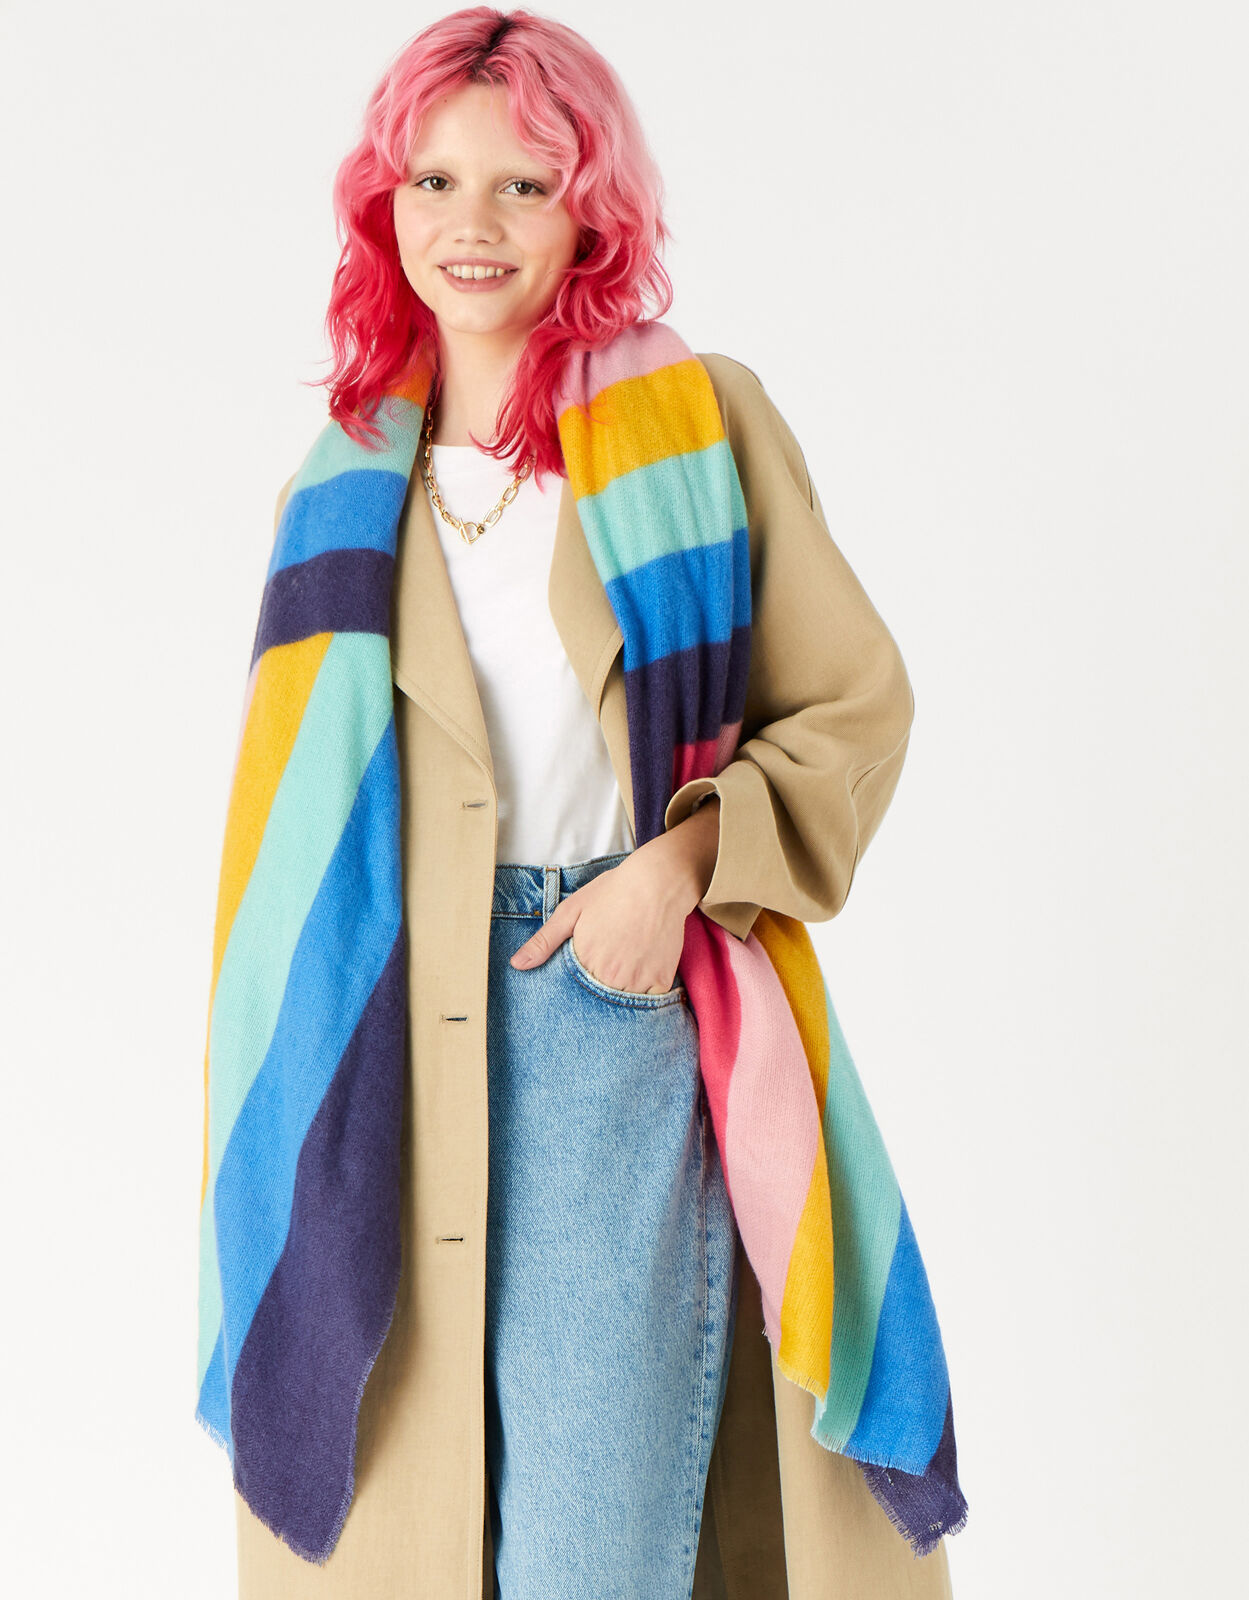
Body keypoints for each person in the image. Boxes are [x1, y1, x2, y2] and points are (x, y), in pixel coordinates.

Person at [204, 9, 965, 1598]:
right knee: (410, 1544)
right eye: (432, 180)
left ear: (590, 209)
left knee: (587, 1554)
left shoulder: (694, 425)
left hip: (603, 1004)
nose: (469, 224)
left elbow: (853, 706)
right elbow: (286, 843)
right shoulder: (335, 483)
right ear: (384, 204)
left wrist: (672, 874)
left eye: (523, 184)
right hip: (374, 1032)